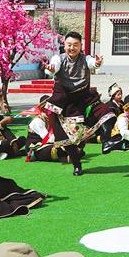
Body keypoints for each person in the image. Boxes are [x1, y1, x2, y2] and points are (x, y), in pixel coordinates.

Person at [42, 31, 106, 176]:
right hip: (61, 104)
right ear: (64, 45)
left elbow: (93, 63)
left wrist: (97, 63)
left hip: (79, 102)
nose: (72, 48)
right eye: (69, 45)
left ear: (80, 46)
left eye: (75, 45)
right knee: (64, 138)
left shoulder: (85, 59)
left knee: (83, 131)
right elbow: (54, 66)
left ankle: (82, 147)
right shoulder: (59, 58)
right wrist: (51, 69)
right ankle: (77, 164)